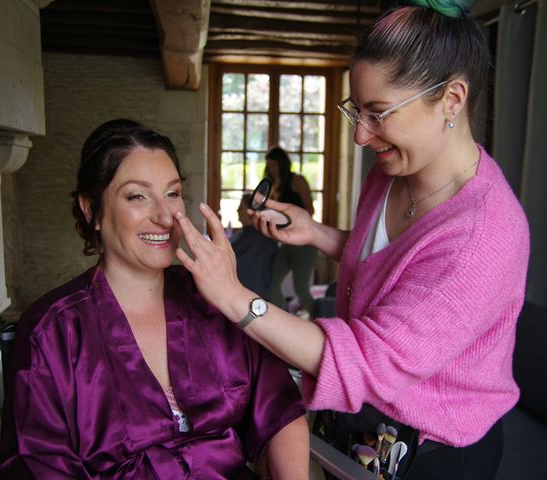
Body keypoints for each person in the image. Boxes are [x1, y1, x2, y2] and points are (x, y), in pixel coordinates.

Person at [173, 1, 530, 478]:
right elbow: (402, 267)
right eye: (356, 111)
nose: (361, 136)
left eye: (379, 113)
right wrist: (319, 234)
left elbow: (368, 361)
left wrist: (236, 297)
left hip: (434, 451)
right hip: (367, 425)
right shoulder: (391, 173)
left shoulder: (482, 236)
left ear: (451, 98)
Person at [0, 119, 309, 479]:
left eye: (173, 193)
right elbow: (39, 466)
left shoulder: (213, 299)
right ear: (90, 210)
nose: (164, 217)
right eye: (137, 196)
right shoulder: (51, 332)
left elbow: (282, 412)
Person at [264, 146, 317, 316]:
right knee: (273, 285)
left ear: (282, 164)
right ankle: (283, 323)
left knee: (301, 289)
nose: (271, 169)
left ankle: (324, 324)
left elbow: (310, 209)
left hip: (304, 242)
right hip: (284, 242)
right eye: (269, 165)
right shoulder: (272, 186)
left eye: (274, 165)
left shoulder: (296, 180)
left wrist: (293, 220)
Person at [230, 193, 278, 299]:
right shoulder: (249, 234)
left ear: (251, 212)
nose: (237, 211)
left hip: (251, 297)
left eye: (240, 207)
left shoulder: (258, 238)